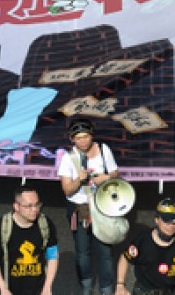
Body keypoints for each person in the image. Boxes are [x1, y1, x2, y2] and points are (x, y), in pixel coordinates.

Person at [58, 119, 118, 295]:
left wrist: (105, 178)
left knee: (105, 251)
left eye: (86, 137)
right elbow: (67, 190)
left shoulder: (104, 150)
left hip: (102, 205)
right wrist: (79, 180)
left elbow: (115, 172)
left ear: (92, 136)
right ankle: (86, 284)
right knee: (82, 251)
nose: (83, 141)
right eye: (78, 138)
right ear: (72, 140)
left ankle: (107, 288)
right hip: (80, 207)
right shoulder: (68, 158)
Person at [0, 184, 58, 295]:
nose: (34, 210)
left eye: (37, 204)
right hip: (10, 290)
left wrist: (47, 287)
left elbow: (52, 256)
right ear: (16, 206)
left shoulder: (45, 224)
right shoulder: (2, 227)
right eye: (28, 206)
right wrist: (3, 288)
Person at [117, 199, 175, 295]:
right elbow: (125, 258)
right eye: (167, 222)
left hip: (174, 290)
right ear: (157, 220)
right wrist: (120, 285)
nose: (171, 226)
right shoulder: (141, 241)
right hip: (145, 291)